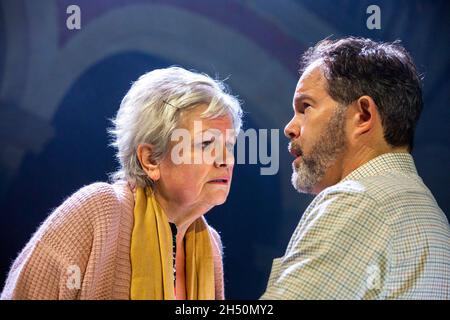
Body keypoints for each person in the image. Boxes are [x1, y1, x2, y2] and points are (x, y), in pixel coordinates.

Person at [1, 66, 242, 300]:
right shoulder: (98, 209)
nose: (227, 160)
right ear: (150, 160)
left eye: (229, 146)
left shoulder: (209, 244)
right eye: (206, 144)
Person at [261, 37, 450, 299]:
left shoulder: (357, 201)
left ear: (363, 115)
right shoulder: (432, 216)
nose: (289, 128)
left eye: (305, 107)